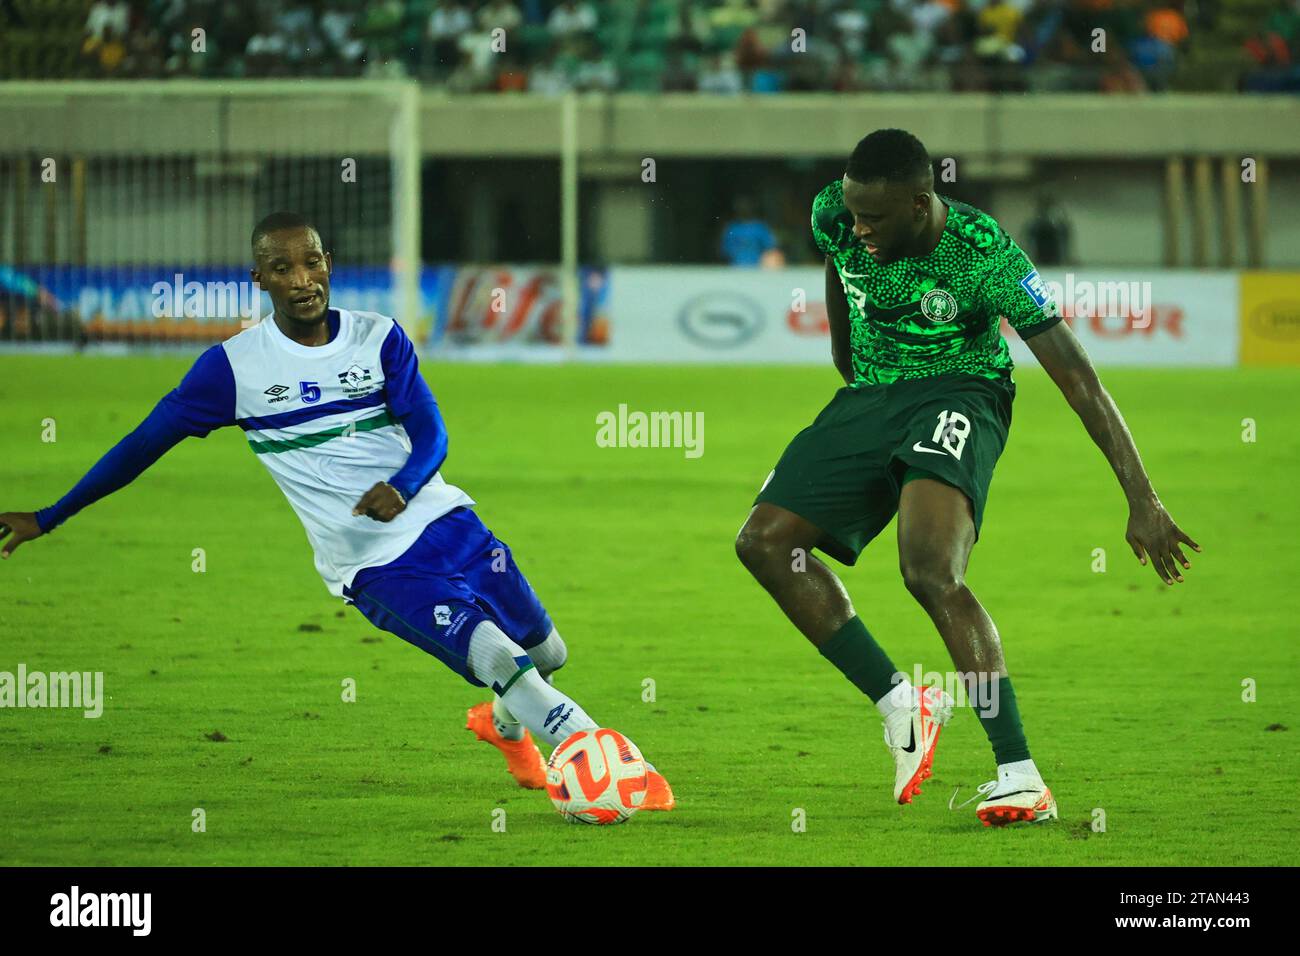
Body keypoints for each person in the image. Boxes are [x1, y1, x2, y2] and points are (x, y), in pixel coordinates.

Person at [0, 211, 674, 811]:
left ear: (329, 264)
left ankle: (501, 726)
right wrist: (50, 514)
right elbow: (140, 445)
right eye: (283, 266)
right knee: (498, 655)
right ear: (259, 279)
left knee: (546, 653)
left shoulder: (379, 339)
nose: (302, 277)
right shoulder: (232, 370)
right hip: (373, 563)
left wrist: (405, 486)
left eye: (312, 260)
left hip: (449, 524)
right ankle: (617, 769)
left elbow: (432, 433)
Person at [734, 129, 1198, 826]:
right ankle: (902, 703)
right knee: (763, 542)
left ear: (921, 204)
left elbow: (1079, 380)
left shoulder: (986, 255)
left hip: (961, 393)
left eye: (876, 218)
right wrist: (849, 373)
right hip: (871, 396)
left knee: (929, 570)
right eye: (854, 214)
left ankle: (1019, 774)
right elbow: (839, 267)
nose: (858, 228)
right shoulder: (837, 210)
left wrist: (1144, 499)